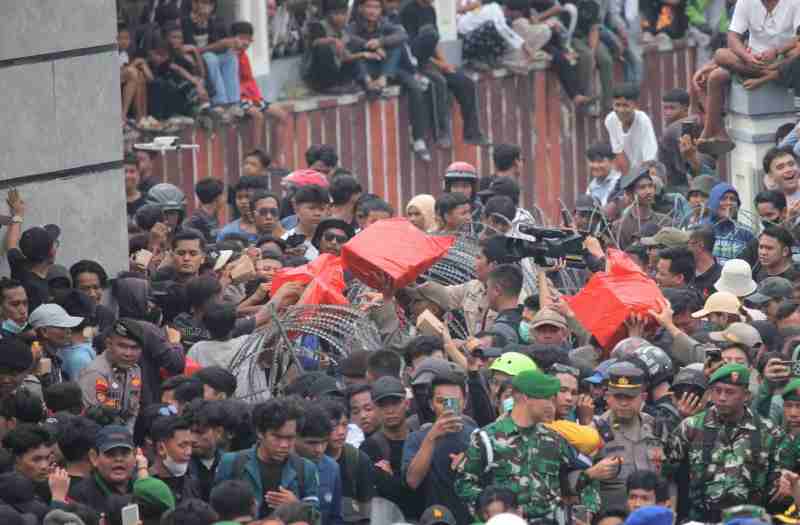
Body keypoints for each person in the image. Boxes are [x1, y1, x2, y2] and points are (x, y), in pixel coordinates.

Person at [456, 369, 603, 521]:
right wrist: (493, 510)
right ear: (526, 398)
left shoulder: (554, 439)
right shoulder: (487, 438)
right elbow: (463, 484)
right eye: (546, 398)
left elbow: (588, 474)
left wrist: (588, 512)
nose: (552, 405)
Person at [663, 363, 786, 522]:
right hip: (702, 518)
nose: (721, 397)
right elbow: (666, 473)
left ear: (746, 396)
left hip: (749, 520)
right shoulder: (691, 427)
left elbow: (777, 488)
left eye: (730, 392)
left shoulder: (769, 432)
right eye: (717, 391)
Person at [694, 0, 800, 155]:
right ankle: (714, 132)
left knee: (795, 55)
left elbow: (798, 40)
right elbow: (732, 38)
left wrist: (776, 52)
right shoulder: (746, 2)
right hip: (752, 62)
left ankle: (771, 74)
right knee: (719, 58)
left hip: (785, 59)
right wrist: (747, 57)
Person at [399, 0, 487, 146]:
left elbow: (434, 43)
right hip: (414, 63)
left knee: (466, 83)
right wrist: (438, 65)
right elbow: (410, 48)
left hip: (431, 61)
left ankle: (472, 133)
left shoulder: (430, 10)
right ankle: (441, 134)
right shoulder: (407, 11)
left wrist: (444, 62)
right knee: (439, 82)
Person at [214, 398, 320, 518]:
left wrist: (296, 506)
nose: (284, 445)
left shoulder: (306, 469)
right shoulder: (232, 463)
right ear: (260, 432)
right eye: (277, 437)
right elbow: (217, 513)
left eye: (290, 438)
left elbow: (316, 518)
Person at [404, 367, 475, 524]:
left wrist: (471, 461)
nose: (448, 407)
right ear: (431, 404)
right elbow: (412, 481)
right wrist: (431, 437)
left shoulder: (477, 437)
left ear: (465, 402)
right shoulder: (416, 438)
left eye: (454, 401)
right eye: (441, 401)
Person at [592, 361, 662, 511]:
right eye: (618, 397)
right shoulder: (594, 430)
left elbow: (668, 478)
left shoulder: (656, 427)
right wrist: (592, 473)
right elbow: (576, 480)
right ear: (608, 397)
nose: (623, 403)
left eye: (630, 397)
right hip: (612, 516)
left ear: (643, 397)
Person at [360, 376, 423, 521]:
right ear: (375, 409)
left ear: (406, 404)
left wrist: (391, 478)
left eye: (395, 403)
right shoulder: (370, 447)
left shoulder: (421, 440)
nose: (390, 410)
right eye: (383, 405)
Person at [78, 319, 145, 430]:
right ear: (109, 344)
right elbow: (92, 421)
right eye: (122, 346)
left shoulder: (134, 370)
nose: (128, 353)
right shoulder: (96, 373)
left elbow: (133, 411)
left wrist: (127, 435)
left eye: (135, 348)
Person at [68, 425, 146, 516]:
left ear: (135, 455)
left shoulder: (143, 488)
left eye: (125, 453)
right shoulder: (80, 495)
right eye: (110, 453)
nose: (119, 459)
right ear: (94, 458)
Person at [294, 404, 344, 525]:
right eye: (312, 443)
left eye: (324, 442)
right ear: (294, 437)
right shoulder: (280, 466)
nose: (319, 449)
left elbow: (335, 517)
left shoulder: (332, 468)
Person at [605, 84, 658, 178]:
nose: (621, 110)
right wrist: (628, 181)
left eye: (625, 105)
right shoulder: (610, 120)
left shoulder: (643, 121)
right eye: (617, 105)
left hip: (649, 172)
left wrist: (640, 182)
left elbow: (649, 161)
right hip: (629, 172)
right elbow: (619, 152)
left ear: (635, 105)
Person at [612, 169, 671, 250]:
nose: (649, 191)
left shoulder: (665, 221)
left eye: (650, 186)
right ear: (630, 193)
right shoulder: (619, 226)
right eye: (642, 187)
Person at [29, 303, 85, 386]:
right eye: (62, 327)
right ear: (44, 332)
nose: (69, 331)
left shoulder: (54, 357)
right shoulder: (36, 360)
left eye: (68, 327)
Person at [149, 415, 202, 502]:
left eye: (190, 445)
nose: (189, 452)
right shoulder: (145, 487)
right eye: (183, 445)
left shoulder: (192, 483)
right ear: (161, 448)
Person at [281, 185, 329, 261]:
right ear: (296, 208)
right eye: (311, 208)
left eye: (322, 209)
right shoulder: (285, 241)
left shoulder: (332, 241)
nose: (317, 213)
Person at [485, 264, 524, 345]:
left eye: (487, 288)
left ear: (497, 290)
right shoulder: (527, 319)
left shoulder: (501, 329)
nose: (486, 293)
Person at [186, 178, 224, 244]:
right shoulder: (195, 221)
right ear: (217, 198)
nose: (225, 198)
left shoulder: (213, 217)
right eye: (223, 194)